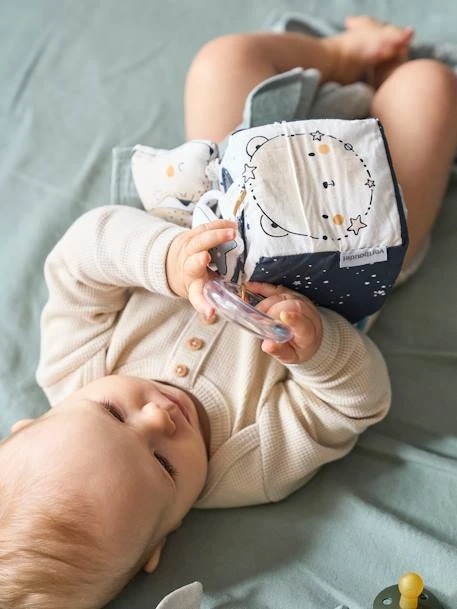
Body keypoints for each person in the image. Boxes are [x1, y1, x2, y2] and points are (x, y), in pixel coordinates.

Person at [1, 16, 456, 609]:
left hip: (222, 194)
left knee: (223, 62)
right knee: (429, 87)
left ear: (30, 426)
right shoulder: (248, 469)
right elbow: (357, 405)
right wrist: (317, 351)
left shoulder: (70, 370)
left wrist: (167, 260)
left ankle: (342, 54)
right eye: (163, 466)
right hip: (349, 250)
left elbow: (84, 255)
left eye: (113, 413)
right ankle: (391, 75)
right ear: (160, 542)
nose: (159, 417)